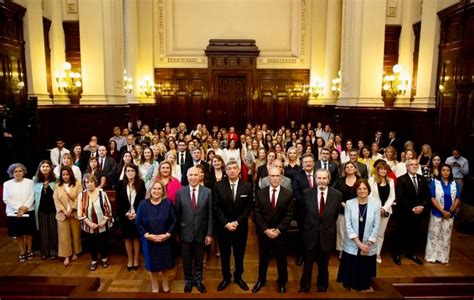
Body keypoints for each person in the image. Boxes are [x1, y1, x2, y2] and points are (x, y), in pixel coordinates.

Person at [299, 169, 342, 293]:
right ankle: (304, 288)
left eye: (324, 178)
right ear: (315, 179)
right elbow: (301, 215)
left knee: (324, 265)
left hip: (326, 235)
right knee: (307, 265)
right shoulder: (306, 193)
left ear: (328, 179)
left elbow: (334, 215)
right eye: (319, 178)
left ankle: (322, 288)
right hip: (310, 234)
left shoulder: (337, 195)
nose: (322, 181)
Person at [213, 161, 254, 292]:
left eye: (234, 168)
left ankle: (238, 277)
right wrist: (226, 223)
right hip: (223, 228)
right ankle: (225, 277)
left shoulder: (247, 186)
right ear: (225, 171)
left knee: (239, 254)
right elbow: (216, 207)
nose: (232, 170)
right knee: (224, 254)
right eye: (229, 168)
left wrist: (237, 222)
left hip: (240, 227)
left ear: (238, 170)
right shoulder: (218, 186)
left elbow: (248, 208)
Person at [253, 166, 293, 293]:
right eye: (272, 176)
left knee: (281, 259)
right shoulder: (260, 193)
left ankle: (282, 282)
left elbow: (289, 215)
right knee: (263, 258)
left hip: (280, 234)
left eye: (277, 176)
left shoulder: (287, 194)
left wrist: (277, 230)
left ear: (281, 177)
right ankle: (261, 280)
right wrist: (266, 230)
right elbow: (257, 214)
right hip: (264, 233)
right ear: (268, 178)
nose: (275, 178)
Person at [337, 179, 380, 291]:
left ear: (368, 190)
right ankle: (349, 285)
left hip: (368, 244)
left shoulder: (375, 204)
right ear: (355, 190)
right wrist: (359, 244)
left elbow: (376, 226)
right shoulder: (349, 204)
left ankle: (363, 285)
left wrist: (367, 244)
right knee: (352, 265)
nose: (362, 191)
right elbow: (348, 225)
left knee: (364, 268)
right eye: (359, 189)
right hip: (353, 241)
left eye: (364, 188)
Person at [175, 167, 213, 293]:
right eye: (190, 175)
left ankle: (198, 280)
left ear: (200, 176)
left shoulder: (207, 192)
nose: (193, 177)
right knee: (186, 259)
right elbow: (177, 214)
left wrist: (209, 233)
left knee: (199, 258)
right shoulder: (180, 192)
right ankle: (188, 280)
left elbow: (210, 215)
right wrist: (177, 234)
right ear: (186, 176)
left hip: (201, 233)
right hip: (185, 232)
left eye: (195, 175)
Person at [136, 180, 176, 293]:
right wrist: (147, 235)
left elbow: (174, 221)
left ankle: (165, 282)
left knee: (164, 264)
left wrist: (167, 234)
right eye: (154, 188)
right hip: (149, 241)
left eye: (159, 189)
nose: (156, 191)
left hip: (165, 240)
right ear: (150, 190)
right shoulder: (143, 204)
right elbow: (138, 223)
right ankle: (154, 284)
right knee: (152, 265)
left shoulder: (168, 203)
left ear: (163, 191)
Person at [393, 159, 430, 265]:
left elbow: (427, 195)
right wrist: (412, 208)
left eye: (416, 164)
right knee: (400, 233)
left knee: (415, 233)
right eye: (411, 165)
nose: (414, 166)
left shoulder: (422, 179)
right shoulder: (401, 179)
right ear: (407, 167)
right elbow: (400, 197)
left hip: (419, 212)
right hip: (405, 212)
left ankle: (411, 253)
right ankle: (397, 254)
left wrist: (422, 206)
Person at [425, 164, 461, 264]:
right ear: (440, 171)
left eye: (448, 170)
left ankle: (443, 258)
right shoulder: (434, 182)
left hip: (450, 214)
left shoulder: (455, 183)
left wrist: (451, 210)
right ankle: (431, 256)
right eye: (443, 170)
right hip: (437, 212)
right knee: (434, 234)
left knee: (446, 235)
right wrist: (442, 211)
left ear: (450, 172)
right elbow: (432, 198)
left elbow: (458, 198)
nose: (445, 172)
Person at [78, 174, 114, 271]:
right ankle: (94, 260)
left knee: (102, 242)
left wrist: (104, 220)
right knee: (92, 243)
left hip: (102, 224)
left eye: (91, 182)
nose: (89, 184)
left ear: (95, 182)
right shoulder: (82, 195)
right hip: (89, 225)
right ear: (84, 184)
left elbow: (108, 208)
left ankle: (104, 258)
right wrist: (89, 223)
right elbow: (80, 211)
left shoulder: (102, 193)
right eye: (87, 182)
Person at [116, 163, 146, 271]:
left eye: (132, 171)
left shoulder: (141, 184)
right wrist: (126, 213)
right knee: (127, 238)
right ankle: (130, 258)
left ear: (136, 172)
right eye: (128, 171)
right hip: (125, 215)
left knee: (136, 237)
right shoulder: (120, 184)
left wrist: (137, 214)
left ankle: (136, 258)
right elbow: (119, 202)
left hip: (137, 215)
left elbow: (143, 201)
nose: (130, 173)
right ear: (125, 172)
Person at [3, 163, 35, 262]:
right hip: (13, 213)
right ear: (12, 173)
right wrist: (19, 208)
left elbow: (32, 196)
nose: (18, 173)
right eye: (15, 171)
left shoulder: (30, 182)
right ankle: (22, 252)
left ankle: (29, 250)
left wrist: (25, 207)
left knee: (29, 232)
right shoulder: (7, 184)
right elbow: (6, 199)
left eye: (20, 171)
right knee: (18, 233)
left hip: (28, 210)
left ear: (23, 172)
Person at [53, 166, 82, 266]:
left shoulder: (77, 184)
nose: (65, 176)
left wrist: (71, 209)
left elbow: (80, 197)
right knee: (64, 236)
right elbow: (56, 200)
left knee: (75, 234)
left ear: (71, 174)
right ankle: (66, 255)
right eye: (63, 174)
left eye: (67, 174)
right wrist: (64, 210)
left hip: (74, 213)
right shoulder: (57, 185)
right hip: (62, 214)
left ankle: (75, 252)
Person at [368, 160, 395, 264]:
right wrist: (378, 208)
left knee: (380, 234)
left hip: (386, 211)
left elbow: (392, 196)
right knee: (371, 232)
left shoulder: (391, 180)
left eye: (385, 169)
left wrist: (384, 208)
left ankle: (377, 253)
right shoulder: (372, 179)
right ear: (377, 170)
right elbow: (369, 195)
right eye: (381, 169)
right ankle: (369, 251)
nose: (383, 171)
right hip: (373, 210)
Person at [292, 152, 317, 266]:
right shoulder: (297, 176)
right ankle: (301, 255)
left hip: (318, 211)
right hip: (302, 210)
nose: (308, 163)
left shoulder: (320, 174)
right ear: (302, 164)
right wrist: (310, 205)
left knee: (316, 233)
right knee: (302, 234)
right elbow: (297, 194)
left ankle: (314, 256)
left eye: (310, 161)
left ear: (313, 163)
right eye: (305, 162)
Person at [334, 161, 360, 258]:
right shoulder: (340, 181)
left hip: (358, 210)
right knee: (341, 231)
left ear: (355, 169)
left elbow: (365, 193)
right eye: (347, 167)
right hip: (342, 210)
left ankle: (353, 249)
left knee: (355, 230)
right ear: (344, 170)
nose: (349, 168)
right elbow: (335, 194)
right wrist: (343, 204)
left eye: (351, 167)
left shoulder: (360, 180)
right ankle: (341, 250)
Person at [33, 160, 58, 260]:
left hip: (53, 209)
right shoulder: (35, 180)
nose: (45, 168)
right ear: (40, 168)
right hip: (41, 209)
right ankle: (44, 252)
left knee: (53, 231)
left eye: (47, 166)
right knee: (43, 232)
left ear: (50, 168)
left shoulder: (56, 179)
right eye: (43, 166)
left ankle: (54, 251)